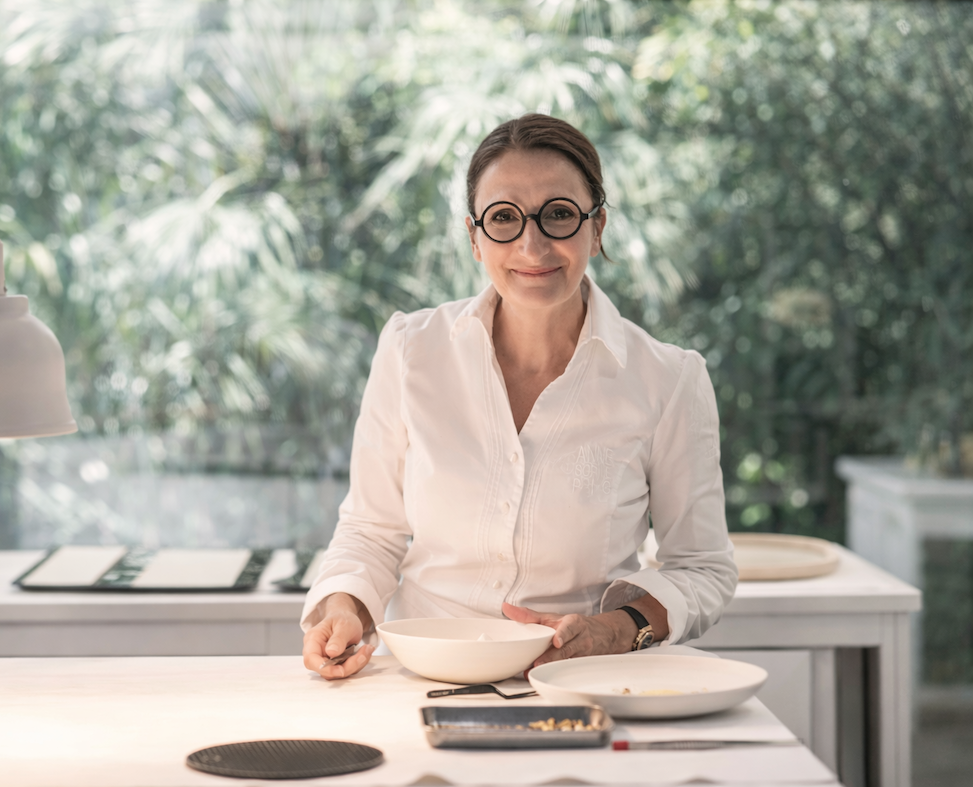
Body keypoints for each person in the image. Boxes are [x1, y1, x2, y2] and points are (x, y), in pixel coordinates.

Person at [301, 114, 737, 680]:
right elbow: (370, 530)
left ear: (597, 227)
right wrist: (345, 608)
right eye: (504, 218)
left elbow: (702, 570)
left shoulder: (669, 379)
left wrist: (615, 630)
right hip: (422, 680)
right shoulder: (412, 350)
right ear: (475, 238)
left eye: (558, 215)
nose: (532, 245)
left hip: (585, 683)